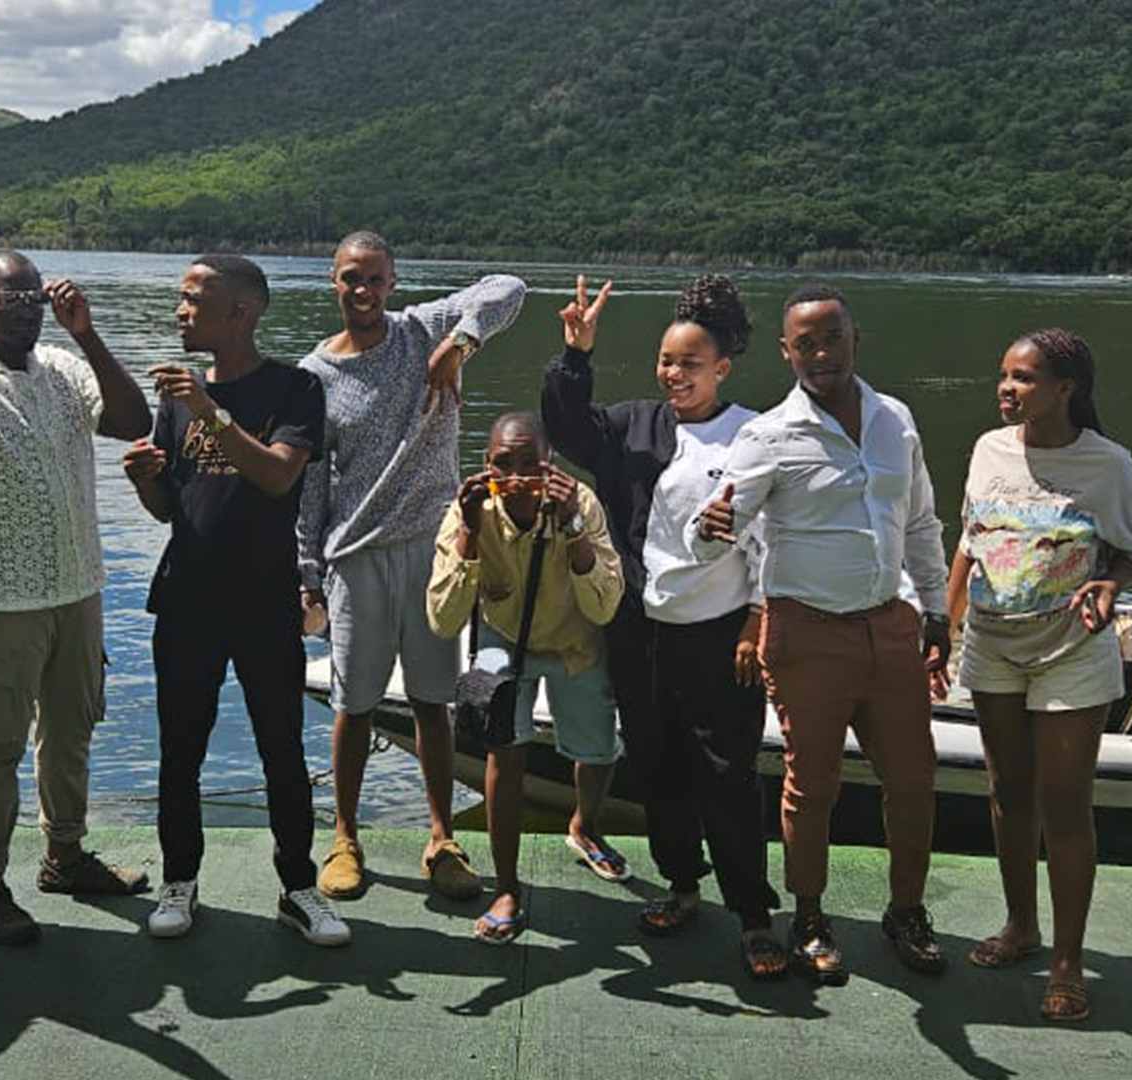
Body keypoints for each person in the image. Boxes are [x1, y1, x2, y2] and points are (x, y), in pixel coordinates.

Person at [693, 284, 952, 984]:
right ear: (786, 352)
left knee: (913, 780)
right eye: (804, 342)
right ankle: (808, 915)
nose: (820, 352)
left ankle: (907, 910)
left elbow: (921, 523)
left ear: (854, 337)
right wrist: (709, 528)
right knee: (814, 786)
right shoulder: (768, 435)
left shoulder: (895, 421)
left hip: (890, 625)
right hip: (806, 632)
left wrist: (936, 608)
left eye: (830, 337)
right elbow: (719, 525)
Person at [542, 274, 785, 979]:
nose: (675, 374)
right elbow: (565, 428)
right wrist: (575, 357)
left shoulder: (750, 435)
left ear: (722, 368)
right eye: (666, 361)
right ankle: (683, 886)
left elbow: (771, 535)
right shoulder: (632, 426)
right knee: (658, 769)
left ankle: (753, 913)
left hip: (715, 635)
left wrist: (756, 622)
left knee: (727, 774)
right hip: (638, 631)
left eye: (690, 363)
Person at [0, 249, 153, 946]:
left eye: (31, 299)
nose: (22, 309)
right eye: (5, 297)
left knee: (72, 730)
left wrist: (85, 333)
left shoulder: (64, 367)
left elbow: (132, 417)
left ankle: (66, 856)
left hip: (76, 585)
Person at [122, 255, 350, 947]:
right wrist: (142, 480)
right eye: (181, 300)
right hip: (187, 598)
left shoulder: (294, 388)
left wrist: (209, 413)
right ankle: (180, 882)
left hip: (263, 601)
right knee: (179, 751)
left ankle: (298, 886)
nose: (180, 312)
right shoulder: (178, 397)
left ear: (242, 312)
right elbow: (170, 507)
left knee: (280, 748)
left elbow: (280, 478)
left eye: (195, 300)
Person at [296, 231, 526, 902]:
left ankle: (440, 837)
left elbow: (507, 287)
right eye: (349, 279)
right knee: (354, 704)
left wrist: (460, 346)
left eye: (374, 279)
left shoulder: (423, 329)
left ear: (392, 283)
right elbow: (312, 488)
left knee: (434, 701)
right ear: (333, 284)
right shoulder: (316, 374)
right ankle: (344, 837)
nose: (362, 291)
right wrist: (307, 575)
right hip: (355, 555)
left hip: (434, 552)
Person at [941, 329, 1132, 1022]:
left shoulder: (1108, 465)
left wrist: (1110, 587)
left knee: (1064, 803)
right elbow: (969, 545)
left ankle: (1066, 960)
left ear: (1068, 389)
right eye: (1004, 376)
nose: (1008, 388)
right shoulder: (987, 450)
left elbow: (1130, 554)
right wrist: (946, 628)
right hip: (994, 643)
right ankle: (1020, 925)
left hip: (1071, 648)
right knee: (1007, 791)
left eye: (1026, 378)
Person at [426, 413, 623, 943]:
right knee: (503, 751)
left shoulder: (578, 502)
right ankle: (507, 886)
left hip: (575, 640)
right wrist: (468, 532)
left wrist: (574, 530)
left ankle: (584, 825)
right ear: (487, 467)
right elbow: (443, 618)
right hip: (503, 639)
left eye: (529, 465)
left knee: (598, 748)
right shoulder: (470, 509)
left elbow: (605, 606)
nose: (517, 477)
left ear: (549, 464)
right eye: (502, 465)